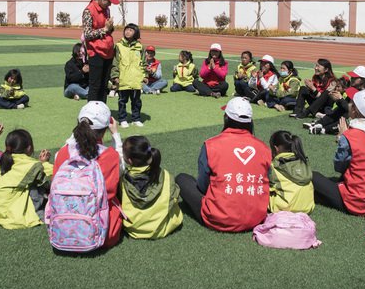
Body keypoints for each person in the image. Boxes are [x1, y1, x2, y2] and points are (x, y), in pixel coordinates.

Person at [175, 98, 272, 232]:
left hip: (219, 218)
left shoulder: (211, 145)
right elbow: (266, 180)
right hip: (256, 217)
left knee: (182, 179)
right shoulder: (263, 148)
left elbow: (203, 186)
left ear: (226, 118)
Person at [311, 88, 365, 215]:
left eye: (351, 102)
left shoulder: (351, 135)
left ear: (355, 110)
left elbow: (339, 167)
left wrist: (341, 139)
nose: (348, 104)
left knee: (312, 176)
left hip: (360, 202)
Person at [53, 101, 123, 248]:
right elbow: (122, 167)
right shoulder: (110, 156)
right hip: (104, 233)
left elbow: (69, 145)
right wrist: (116, 135)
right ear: (105, 130)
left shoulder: (62, 154)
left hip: (61, 227)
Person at [0, 129, 53, 229]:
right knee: (39, 184)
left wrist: (40, 163)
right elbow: (49, 178)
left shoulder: (5, 158)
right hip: (10, 213)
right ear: (29, 148)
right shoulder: (33, 165)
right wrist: (45, 163)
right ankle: (40, 213)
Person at [120, 135, 183, 240]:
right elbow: (174, 197)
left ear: (129, 161)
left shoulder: (122, 180)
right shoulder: (166, 175)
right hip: (165, 227)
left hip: (134, 229)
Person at [82, 0, 120, 103]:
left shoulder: (106, 10)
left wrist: (110, 27)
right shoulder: (89, 11)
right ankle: (91, 113)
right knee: (95, 85)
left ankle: (102, 110)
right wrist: (105, 29)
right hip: (96, 52)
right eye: (109, 1)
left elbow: (108, 30)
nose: (110, 5)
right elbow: (87, 34)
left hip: (108, 52)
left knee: (104, 85)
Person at [268, 130, 315, 214]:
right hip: (307, 207)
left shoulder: (274, 166)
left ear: (276, 148)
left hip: (284, 208)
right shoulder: (303, 161)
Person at [111, 23, 145, 128]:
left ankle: (136, 118)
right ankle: (122, 119)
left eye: (131, 30)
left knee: (136, 101)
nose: (128, 31)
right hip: (123, 79)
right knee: (122, 101)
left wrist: (145, 76)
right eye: (126, 29)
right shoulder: (118, 46)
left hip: (136, 79)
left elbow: (143, 62)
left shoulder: (140, 47)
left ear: (136, 33)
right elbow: (115, 62)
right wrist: (115, 75)